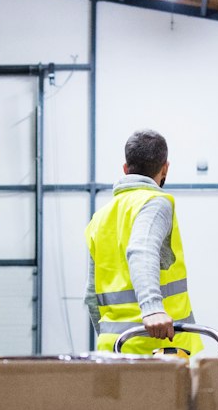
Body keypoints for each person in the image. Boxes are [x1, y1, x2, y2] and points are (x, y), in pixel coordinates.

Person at [84, 129, 205, 355]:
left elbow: (91, 294)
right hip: (159, 347)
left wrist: (107, 337)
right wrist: (152, 310)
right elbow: (142, 249)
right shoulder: (155, 202)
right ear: (165, 168)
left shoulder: (100, 218)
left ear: (125, 169)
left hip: (114, 347)